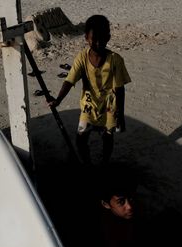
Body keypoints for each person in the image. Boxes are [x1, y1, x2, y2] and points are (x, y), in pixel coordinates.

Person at [48, 15, 131, 165]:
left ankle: (104, 163)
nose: (98, 43)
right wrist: (58, 100)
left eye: (102, 39)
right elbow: (69, 80)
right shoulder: (82, 58)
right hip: (88, 106)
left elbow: (120, 89)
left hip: (110, 107)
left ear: (109, 38)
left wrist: (121, 114)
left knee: (108, 137)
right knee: (81, 137)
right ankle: (87, 163)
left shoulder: (115, 60)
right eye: (94, 39)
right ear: (86, 37)